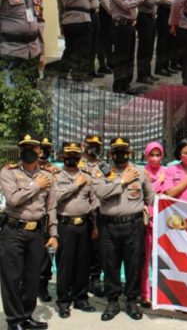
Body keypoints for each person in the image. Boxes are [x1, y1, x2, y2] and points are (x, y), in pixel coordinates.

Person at [93, 137, 154, 321]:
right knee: (110, 264)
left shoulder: (140, 172)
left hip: (133, 225)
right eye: (116, 151)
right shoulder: (101, 172)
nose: (120, 155)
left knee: (134, 264)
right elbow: (100, 193)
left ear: (129, 152)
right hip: (109, 225)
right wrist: (121, 182)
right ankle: (112, 302)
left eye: (123, 151)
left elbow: (151, 196)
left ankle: (132, 301)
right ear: (111, 154)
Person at [0, 135, 57, 330]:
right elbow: (13, 199)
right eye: (25, 148)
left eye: (33, 148)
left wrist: (54, 235)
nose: (29, 152)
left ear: (40, 151)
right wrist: (35, 186)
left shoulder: (49, 176)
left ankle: (26, 316)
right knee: (12, 278)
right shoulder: (9, 172)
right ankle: (14, 321)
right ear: (19, 151)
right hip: (13, 230)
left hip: (36, 234)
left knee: (32, 277)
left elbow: (51, 208)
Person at [53, 141, 98, 319]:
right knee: (65, 265)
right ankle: (63, 302)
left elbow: (93, 202)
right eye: (68, 155)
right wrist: (75, 185)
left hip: (85, 225)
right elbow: (54, 198)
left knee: (82, 264)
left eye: (75, 155)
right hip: (65, 225)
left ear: (80, 157)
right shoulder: (56, 177)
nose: (72, 158)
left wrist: (95, 227)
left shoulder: (88, 176)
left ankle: (81, 298)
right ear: (62, 156)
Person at [108, 0, 146, 95]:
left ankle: (126, 84)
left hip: (130, 26)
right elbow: (126, 5)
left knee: (130, 57)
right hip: (121, 27)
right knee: (121, 57)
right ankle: (118, 86)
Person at [79, 134, 107, 298]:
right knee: (82, 249)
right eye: (91, 144)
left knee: (98, 250)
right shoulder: (77, 163)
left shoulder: (104, 166)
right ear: (84, 145)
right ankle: (80, 281)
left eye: (97, 145)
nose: (94, 148)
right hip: (81, 213)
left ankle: (95, 281)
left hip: (99, 213)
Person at [141, 141, 166, 308]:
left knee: (162, 259)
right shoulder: (141, 171)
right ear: (146, 155)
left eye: (158, 155)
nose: (155, 158)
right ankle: (145, 294)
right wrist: (158, 184)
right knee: (145, 259)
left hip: (164, 220)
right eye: (152, 155)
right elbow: (144, 193)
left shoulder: (167, 172)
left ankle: (161, 293)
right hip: (147, 221)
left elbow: (170, 192)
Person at [36, 138, 59, 302]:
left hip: (48, 219)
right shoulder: (26, 169)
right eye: (41, 149)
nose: (44, 153)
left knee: (46, 258)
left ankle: (42, 287)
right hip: (31, 219)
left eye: (47, 149)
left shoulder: (56, 171)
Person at [134, 0, 159, 84]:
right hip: (143, 17)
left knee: (149, 47)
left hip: (151, 17)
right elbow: (149, 2)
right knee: (144, 48)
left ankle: (147, 73)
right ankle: (141, 75)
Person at [80, 0, 103, 79]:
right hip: (87, 13)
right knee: (87, 44)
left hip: (95, 14)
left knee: (95, 43)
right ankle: (84, 71)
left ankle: (91, 69)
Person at [154, 0, 176, 77]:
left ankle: (166, 66)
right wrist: (173, 2)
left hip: (171, 12)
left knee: (170, 40)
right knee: (162, 41)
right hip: (163, 12)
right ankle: (159, 67)